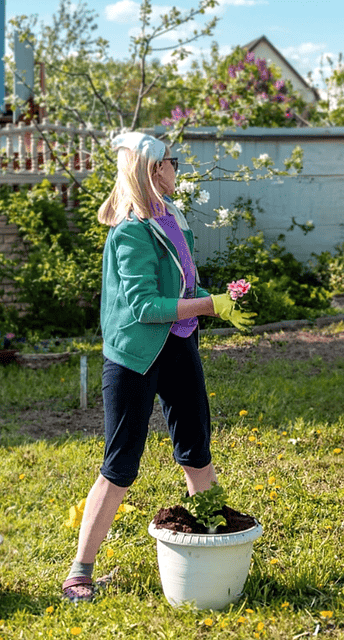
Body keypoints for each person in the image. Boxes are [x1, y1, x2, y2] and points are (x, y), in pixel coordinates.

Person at [62, 132, 254, 603]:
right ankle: (79, 573)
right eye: (171, 161)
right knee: (120, 463)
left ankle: (208, 549)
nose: (176, 167)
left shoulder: (174, 217)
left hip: (178, 345)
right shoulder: (130, 230)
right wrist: (211, 305)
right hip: (135, 355)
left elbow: (181, 283)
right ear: (152, 171)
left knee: (196, 447)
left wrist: (215, 295)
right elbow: (145, 306)